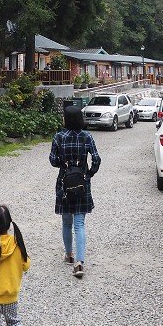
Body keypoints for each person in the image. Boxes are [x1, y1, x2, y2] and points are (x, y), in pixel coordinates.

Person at [49, 104, 101, 279]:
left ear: (66, 119)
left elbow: (53, 160)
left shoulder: (59, 137)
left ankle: (69, 254)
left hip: (64, 181)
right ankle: (79, 262)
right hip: (81, 181)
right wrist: (89, 173)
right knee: (79, 224)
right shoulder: (87, 136)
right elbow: (97, 159)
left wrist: (64, 164)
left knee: (66, 222)